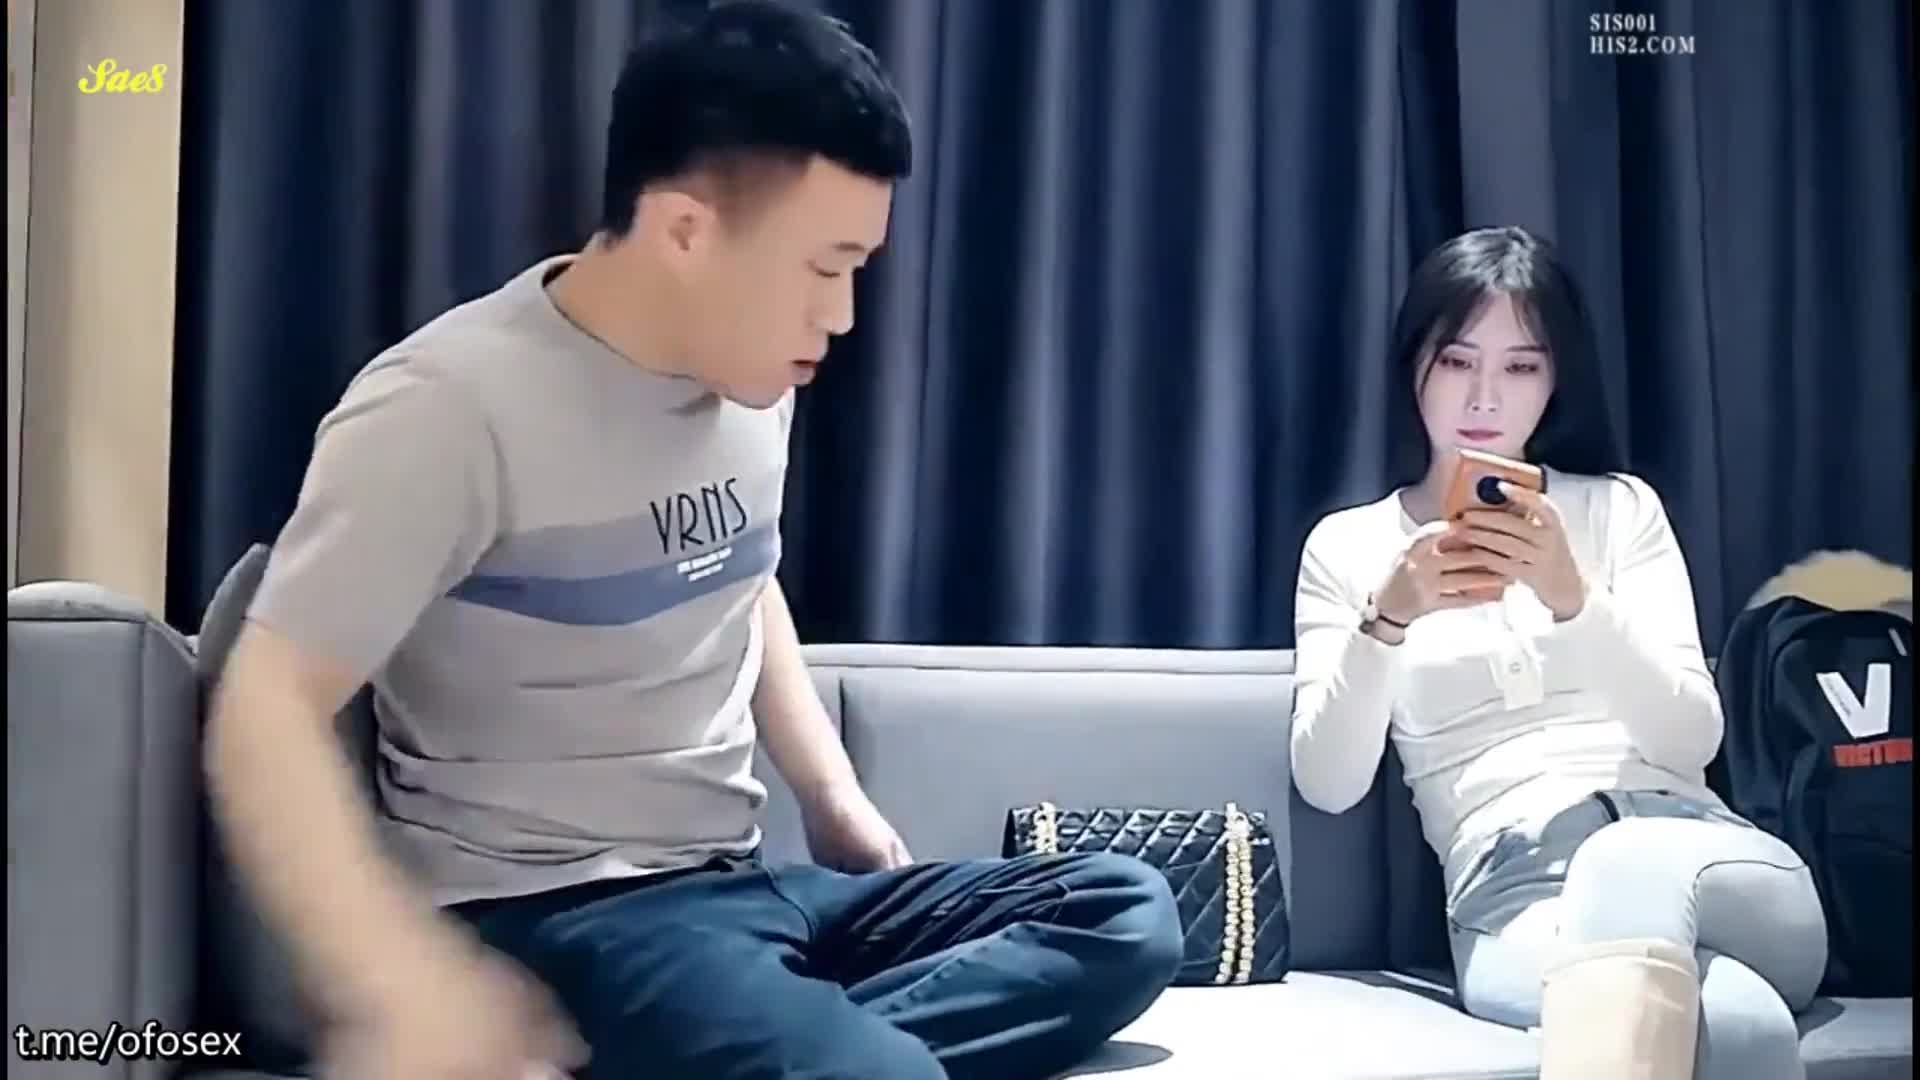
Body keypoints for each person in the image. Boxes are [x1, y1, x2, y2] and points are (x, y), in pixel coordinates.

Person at [202, 4, 1181, 1079]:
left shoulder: (752, 381)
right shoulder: (445, 408)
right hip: (562, 914)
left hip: (742, 885)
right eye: (824, 268)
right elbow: (265, 707)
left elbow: (737, 575)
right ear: (683, 231)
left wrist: (834, 800)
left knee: (1125, 914)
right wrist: (401, 982)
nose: (845, 315)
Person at [1288, 226, 1828, 1079]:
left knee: (1630, 862)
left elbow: (1691, 741)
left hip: (1706, 858)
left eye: (1521, 367)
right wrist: (1385, 620)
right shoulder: (1351, 547)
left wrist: (1574, 597)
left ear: (1555, 381)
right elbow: (1329, 781)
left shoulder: (1620, 511)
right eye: (1457, 361)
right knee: (1741, 1027)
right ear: (1414, 364)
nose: (1485, 398)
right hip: (1517, 898)